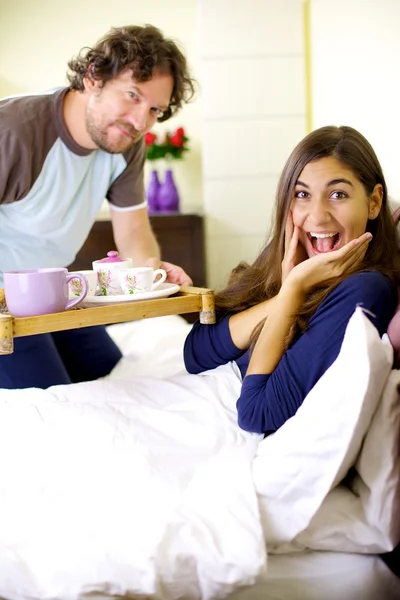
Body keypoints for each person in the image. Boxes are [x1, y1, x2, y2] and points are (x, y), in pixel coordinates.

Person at [0, 24, 195, 389]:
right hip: (3, 301)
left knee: (108, 375)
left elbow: (134, 231)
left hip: (54, 284)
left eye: (155, 109)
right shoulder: (13, 130)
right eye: (132, 95)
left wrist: (149, 273)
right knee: (54, 398)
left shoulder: (125, 143)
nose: (141, 122)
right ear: (93, 78)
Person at [184, 125, 400, 435]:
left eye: (338, 194)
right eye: (302, 194)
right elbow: (195, 353)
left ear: (374, 202)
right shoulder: (295, 252)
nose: (317, 216)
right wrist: (285, 294)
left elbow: (256, 413)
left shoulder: (364, 290)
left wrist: (293, 290)